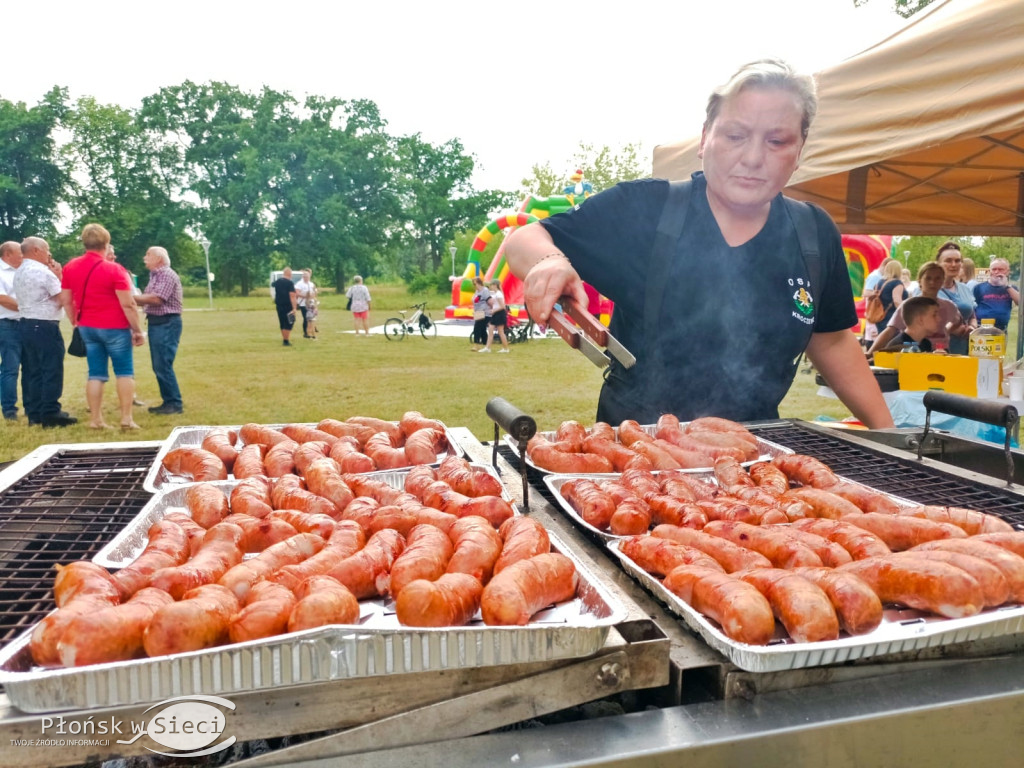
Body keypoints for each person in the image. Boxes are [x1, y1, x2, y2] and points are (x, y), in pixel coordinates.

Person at [504, 58, 892, 428]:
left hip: (754, 464)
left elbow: (834, 340)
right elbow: (525, 239)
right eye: (736, 135)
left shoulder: (813, 233)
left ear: (799, 150)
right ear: (706, 138)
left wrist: (889, 435)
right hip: (635, 459)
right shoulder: (645, 208)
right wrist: (549, 262)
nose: (753, 157)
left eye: (777, 141)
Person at [61, 223, 145, 431]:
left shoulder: (71, 266)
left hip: (87, 327)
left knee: (95, 373)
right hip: (115, 326)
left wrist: (75, 322)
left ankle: (96, 419)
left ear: (84, 243)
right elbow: (128, 304)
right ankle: (126, 418)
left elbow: (66, 299)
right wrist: (137, 329)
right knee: (124, 371)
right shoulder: (114, 269)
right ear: (106, 244)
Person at [14, 237, 77, 428]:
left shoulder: (19, 271)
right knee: (51, 368)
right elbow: (61, 298)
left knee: (33, 370)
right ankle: (51, 411)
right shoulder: (43, 272)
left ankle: (35, 412)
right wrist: (59, 275)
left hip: (26, 323)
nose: (49, 254)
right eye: (46, 249)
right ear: (36, 250)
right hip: (45, 324)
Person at [868, 262, 964, 355]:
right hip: (913, 349)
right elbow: (890, 330)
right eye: (928, 278)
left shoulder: (949, 306)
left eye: (937, 278)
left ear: (943, 281)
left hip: (941, 351)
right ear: (920, 281)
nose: (932, 282)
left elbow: (958, 321)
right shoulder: (910, 305)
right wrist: (870, 353)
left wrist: (946, 330)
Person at [136, 247, 184, 414]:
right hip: (159, 324)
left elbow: (156, 299)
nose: (144, 257)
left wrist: (129, 298)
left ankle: (174, 403)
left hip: (167, 323)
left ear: (158, 259)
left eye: (148, 254)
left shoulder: (166, 274)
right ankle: (169, 401)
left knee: (163, 363)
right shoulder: (156, 276)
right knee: (159, 365)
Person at [934, 241, 976, 355]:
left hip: (964, 350)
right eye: (948, 260)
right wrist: (954, 329)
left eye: (957, 261)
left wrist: (972, 328)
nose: (953, 264)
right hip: (937, 350)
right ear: (938, 264)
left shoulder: (965, 289)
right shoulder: (928, 289)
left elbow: (972, 313)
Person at [0, 241, 23, 421]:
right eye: (19, 253)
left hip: (23, 322)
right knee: (10, 367)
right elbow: (2, 298)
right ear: (8, 254)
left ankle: (32, 405)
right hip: (6, 324)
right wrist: (27, 307)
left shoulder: (21, 271)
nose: (22, 255)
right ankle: (9, 410)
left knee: (30, 366)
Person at [877, 296, 944, 354]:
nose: (939, 319)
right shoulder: (899, 347)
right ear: (920, 320)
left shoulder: (925, 343)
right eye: (934, 315)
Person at [973, 257, 1019, 331]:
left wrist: (1006, 286)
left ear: (1007, 272)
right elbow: (972, 308)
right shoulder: (979, 288)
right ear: (989, 271)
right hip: (981, 329)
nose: (997, 272)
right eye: (994, 269)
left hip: (1001, 330)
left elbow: (1020, 302)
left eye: (1001, 269)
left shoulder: (1011, 289)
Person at [874, 260, 906, 335]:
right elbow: (897, 301)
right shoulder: (897, 283)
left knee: (883, 341)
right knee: (893, 343)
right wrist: (905, 314)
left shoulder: (880, 282)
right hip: (892, 318)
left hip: (879, 316)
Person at [480, 279, 510, 353]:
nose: (490, 287)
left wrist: (494, 311)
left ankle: (506, 348)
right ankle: (488, 347)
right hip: (496, 314)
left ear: (495, 285)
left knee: (500, 331)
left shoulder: (499, 294)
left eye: (491, 285)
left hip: (499, 314)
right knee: (491, 329)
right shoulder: (496, 293)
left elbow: (503, 306)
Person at [271, 268, 298, 346]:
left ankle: (285, 339)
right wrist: (294, 308)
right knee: (290, 321)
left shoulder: (278, 282)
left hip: (279, 305)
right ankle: (286, 340)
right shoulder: (290, 283)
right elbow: (292, 296)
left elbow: (272, 284)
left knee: (282, 322)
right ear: (290, 274)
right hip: (288, 305)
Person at [295, 268, 317, 339]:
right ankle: (306, 332)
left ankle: (311, 331)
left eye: (308, 277)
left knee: (311, 318)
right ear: (303, 277)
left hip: (311, 303)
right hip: (303, 304)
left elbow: (315, 292)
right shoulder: (299, 284)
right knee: (306, 318)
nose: (306, 278)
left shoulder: (311, 284)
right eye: (305, 277)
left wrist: (313, 296)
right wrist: (305, 296)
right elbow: (297, 293)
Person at [471, 277, 491, 346]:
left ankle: (476, 343)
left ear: (479, 283)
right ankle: (485, 342)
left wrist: (491, 309)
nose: (474, 285)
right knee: (482, 328)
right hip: (478, 311)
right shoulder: (477, 292)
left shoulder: (485, 290)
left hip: (484, 312)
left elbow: (489, 300)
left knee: (477, 327)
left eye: (475, 283)